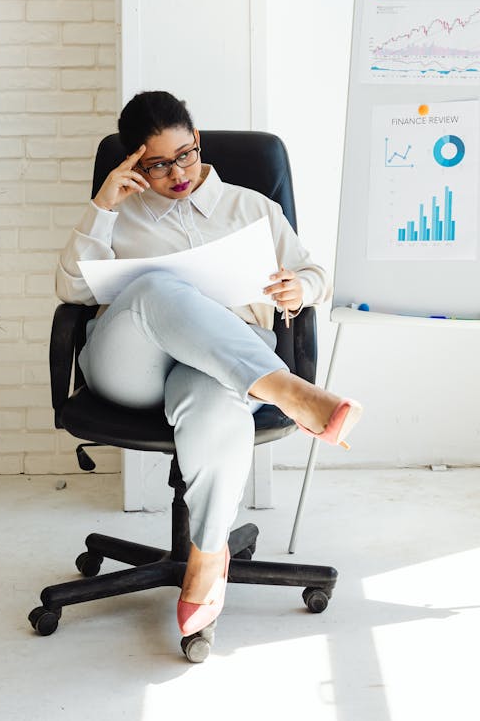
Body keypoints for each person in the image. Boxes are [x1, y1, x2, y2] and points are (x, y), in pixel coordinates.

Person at [56, 90, 362, 636]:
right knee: (156, 287)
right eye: (156, 164)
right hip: (132, 367)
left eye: (184, 156)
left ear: (197, 141)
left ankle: (207, 555)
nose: (176, 172)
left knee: (214, 395)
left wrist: (299, 288)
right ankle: (286, 389)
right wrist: (101, 209)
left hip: (222, 363)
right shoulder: (119, 213)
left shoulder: (252, 208)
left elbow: (315, 274)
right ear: (133, 163)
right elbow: (72, 290)